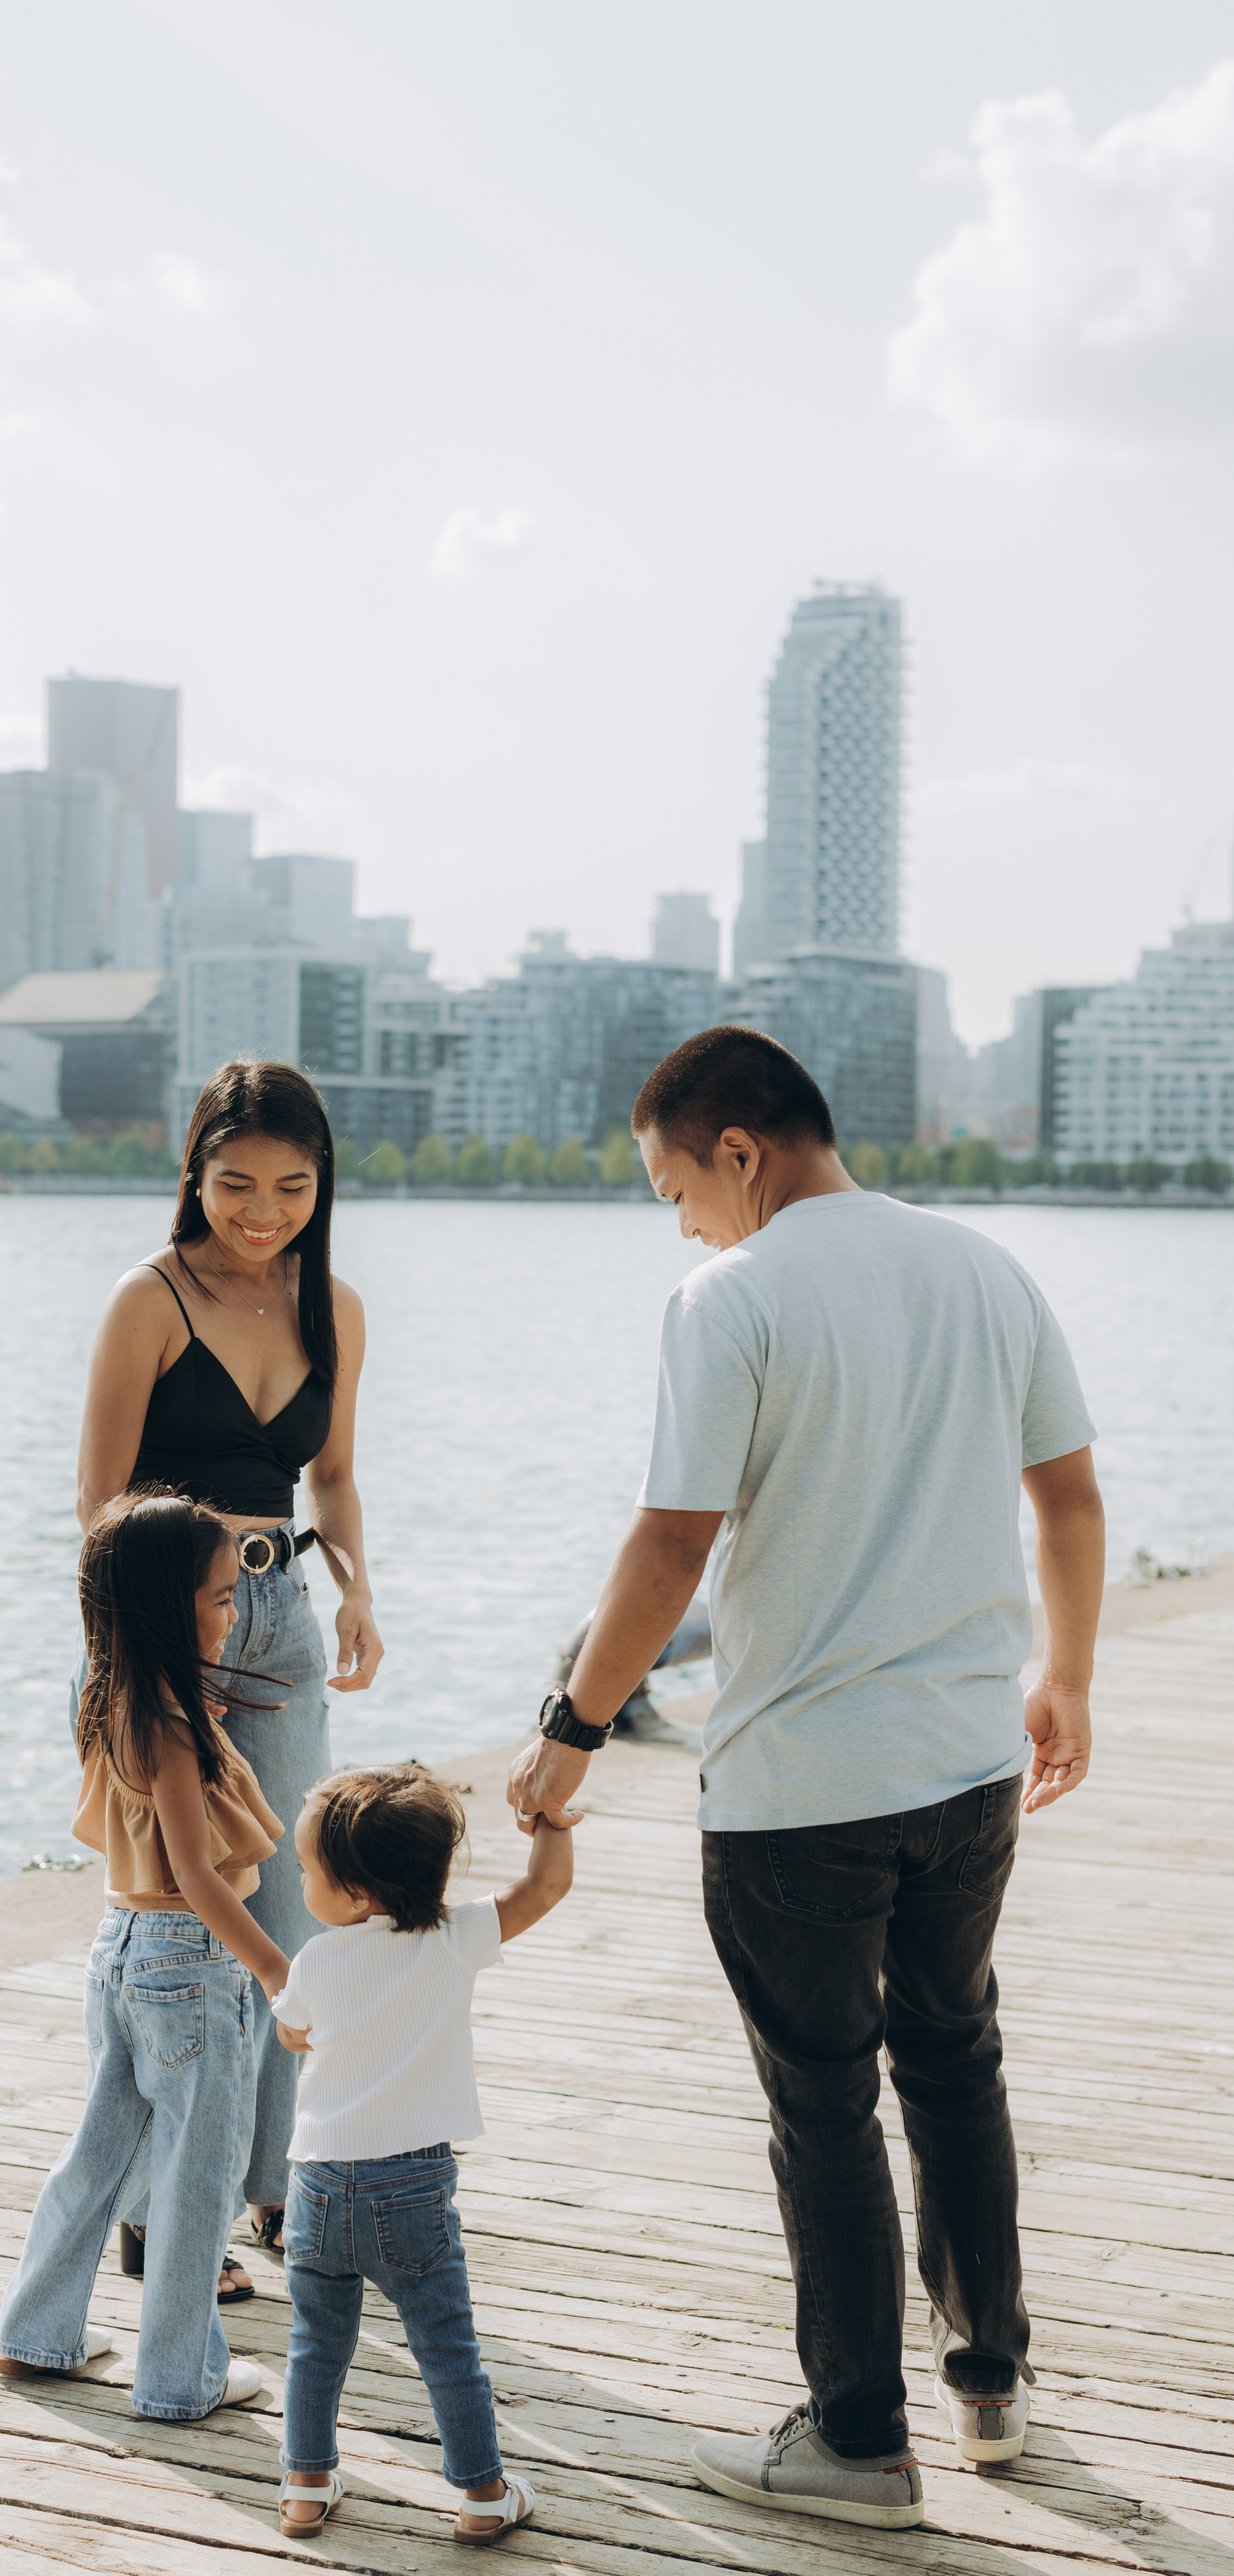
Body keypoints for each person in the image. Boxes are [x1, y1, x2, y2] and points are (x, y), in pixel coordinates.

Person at [507, 1026, 1104, 2532]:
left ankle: (852, 2444)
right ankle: (988, 2390)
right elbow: (1069, 1494)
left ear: (734, 1151)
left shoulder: (728, 1298)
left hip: (797, 1791)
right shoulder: (985, 1268)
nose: (678, 1220)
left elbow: (667, 1546)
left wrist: (568, 1733)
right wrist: (1067, 1677)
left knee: (824, 2106)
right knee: (954, 2062)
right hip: (966, 1769)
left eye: (669, 1187)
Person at [75, 1060, 384, 2273]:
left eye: (294, 1187)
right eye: (237, 1183)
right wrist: (147, 1659)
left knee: (291, 1904)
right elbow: (98, 1499)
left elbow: (337, 1474)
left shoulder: (334, 1305)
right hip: (167, 1616)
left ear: (323, 1186)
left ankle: (270, 2189)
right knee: (176, 1916)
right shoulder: (149, 1298)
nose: (263, 1210)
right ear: (194, 1172)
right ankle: (155, 2212)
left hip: (284, 1616)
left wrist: (359, 1590)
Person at [0, 1493, 293, 2421]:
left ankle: (36, 2333)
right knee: (198, 2179)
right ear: (166, 1605)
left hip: (118, 1947)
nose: (232, 1611)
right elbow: (201, 1877)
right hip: (191, 1960)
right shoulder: (169, 1719)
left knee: (101, 2153)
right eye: (215, 1597)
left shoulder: (108, 1698)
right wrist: (280, 1974)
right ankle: (179, 2377)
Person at [270, 1766, 574, 2544]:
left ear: (359, 1896)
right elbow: (542, 1891)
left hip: (316, 2188)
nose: (301, 1883)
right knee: (446, 2347)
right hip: (408, 2183)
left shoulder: (315, 1961)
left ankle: (304, 2486)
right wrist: (550, 1824)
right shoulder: (451, 1937)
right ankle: (481, 2496)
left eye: (309, 1873)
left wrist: (307, 2026)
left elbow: (291, 2029)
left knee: (315, 2345)